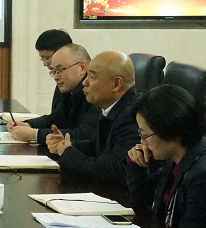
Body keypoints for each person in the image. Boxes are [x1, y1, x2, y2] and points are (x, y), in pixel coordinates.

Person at [126, 85, 206, 228]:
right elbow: (143, 201)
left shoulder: (205, 177)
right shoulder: (179, 159)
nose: (142, 141)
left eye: (144, 134)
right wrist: (136, 165)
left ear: (169, 128)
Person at [48, 51, 139, 186]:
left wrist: (69, 154)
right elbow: (97, 146)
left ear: (116, 84)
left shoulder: (133, 115)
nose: (84, 82)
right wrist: (67, 144)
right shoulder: (113, 106)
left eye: (92, 77)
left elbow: (114, 168)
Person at [8, 44, 99, 145]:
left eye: (60, 70)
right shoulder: (70, 90)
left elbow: (84, 135)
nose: (56, 77)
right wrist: (28, 124)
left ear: (82, 67)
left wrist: (34, 134)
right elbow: (55, 119)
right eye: (53, 72)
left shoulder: (97, 93)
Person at [35, 29, 73, 112]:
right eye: (42, 59)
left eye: (47, 58)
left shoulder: (83, 85)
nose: (45, 64)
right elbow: (56, 115)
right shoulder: (60, 79)